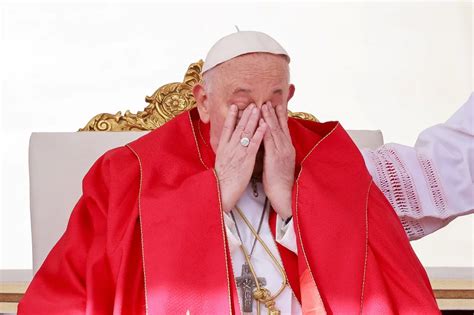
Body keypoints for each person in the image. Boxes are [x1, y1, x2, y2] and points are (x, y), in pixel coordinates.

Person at [18, 31, 472, 315]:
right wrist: (209, 199)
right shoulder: (128, 174)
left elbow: (373, 279)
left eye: (274, 102)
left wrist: (292, 202)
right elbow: (68, 292)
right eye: (239, 103)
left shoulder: (328, 162)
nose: (257, 119)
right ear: (202, 100)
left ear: (290, 94)